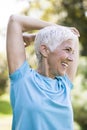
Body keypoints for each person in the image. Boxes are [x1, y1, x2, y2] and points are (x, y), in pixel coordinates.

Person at [6, 15, 80, 130]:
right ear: (45, 50)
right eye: (67, 50)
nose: (71, 58)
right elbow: (15, 20)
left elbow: (74, 37)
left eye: (72, 52)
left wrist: (37, 37)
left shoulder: (64, 84)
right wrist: (59, 28)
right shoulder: (23, 79)